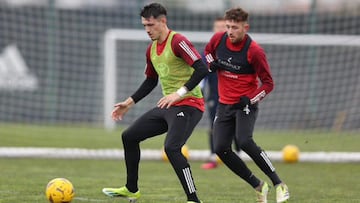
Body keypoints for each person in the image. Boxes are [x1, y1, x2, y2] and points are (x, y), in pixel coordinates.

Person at [101, 3, 208, 203]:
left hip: (190, 105)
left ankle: (193, 199)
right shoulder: (151, 49)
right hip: (168, 106)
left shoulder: (178, 41)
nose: (147, 30)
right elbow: (151, 80)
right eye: (144, 26)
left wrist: (179, 93)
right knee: (129, 136)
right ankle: (132, 189)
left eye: (150, 25)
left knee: (172, 148)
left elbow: (202, 68)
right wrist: (129, 102)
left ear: (162, 22)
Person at [204, 7, 290, 203]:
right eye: (228, 27)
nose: (230, 31)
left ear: (245, 27)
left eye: (234, 27)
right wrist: (211, 64)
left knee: (244, 141)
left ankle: (279, 184)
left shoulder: (255, 51)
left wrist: (251, 99)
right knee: (220, 148)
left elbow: (268, 84)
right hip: (223, 105)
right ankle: (259, 186)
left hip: (245, 105)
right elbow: (208, 53)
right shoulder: (218, 39)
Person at [201, 17, 241, 170]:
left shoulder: (237, 50)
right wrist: (200, 93)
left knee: (237, 124)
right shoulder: (208, 53)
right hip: (215, 97)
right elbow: (201, 75)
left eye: (222, 27)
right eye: (216, 27)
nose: (219, 30)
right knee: (214, 125)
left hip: (234, 96)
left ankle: (238, 153)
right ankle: (213, 157)